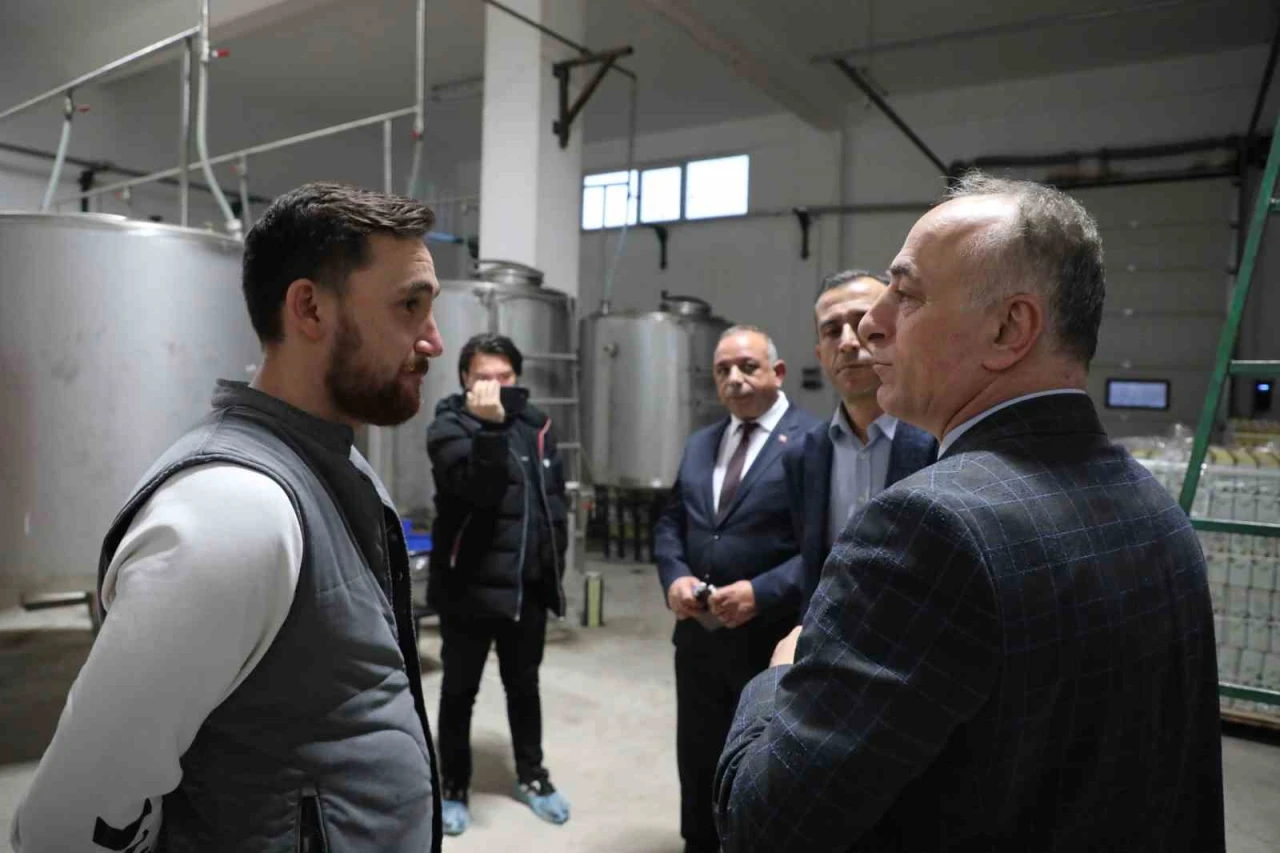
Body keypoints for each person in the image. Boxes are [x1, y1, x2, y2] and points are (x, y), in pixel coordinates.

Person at [715, 173, 1225, 853]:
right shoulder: (1157, 511)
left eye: (906, 294)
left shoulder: (928, 528)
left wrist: (782, 673)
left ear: (1009, 328)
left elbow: (766, 824)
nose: (870, 325)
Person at [12, 182, 447, 852]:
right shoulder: (235, 513)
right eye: (409, 305)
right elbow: (67, 826)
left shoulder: (337, 464)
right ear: (309, 308)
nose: (434, 340)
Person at [653, 325, 818, 853]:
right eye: (723, 369)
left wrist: (762, 592)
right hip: (698, 637)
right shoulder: (702, 441)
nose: (734, 379)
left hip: (769, 640)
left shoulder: (813, 442)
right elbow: (671, 522)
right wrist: (674, 576)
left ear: (778, 372)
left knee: (761, 764)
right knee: (698, 754)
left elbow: (825, 546)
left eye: (748, 366)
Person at [426, 332, 571, 835]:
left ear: (517, 377)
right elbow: (477, 494)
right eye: (483, 377)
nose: (495, 385)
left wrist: (552, 569)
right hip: (468, 590)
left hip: (526, 590)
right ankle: (453, 786)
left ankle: (532, 776)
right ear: (465, 379)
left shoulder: (537, 425)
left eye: (504, 376)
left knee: (524, 686)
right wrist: (488, 428)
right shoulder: (449, 426)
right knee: (459, 691)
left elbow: (554, 503)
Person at [783, 270, 936, 617]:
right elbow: (811, 569)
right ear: (820, 355)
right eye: (831, 331)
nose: (848, 342)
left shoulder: (942, 441)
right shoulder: (802, 456)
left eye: (862, 322)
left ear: (896, 333)